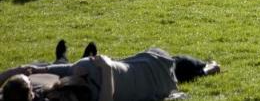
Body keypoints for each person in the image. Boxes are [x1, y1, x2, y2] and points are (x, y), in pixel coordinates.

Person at [0, 48, 220, 101]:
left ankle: (204, 67)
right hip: (133, 79)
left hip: (130, 67)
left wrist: (41, 70)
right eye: (29, 85)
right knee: (177, 68)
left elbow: (65, 71)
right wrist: (105, 68)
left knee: (173, 62)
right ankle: (209, 68)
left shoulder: (45, 92)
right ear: (28, 94)